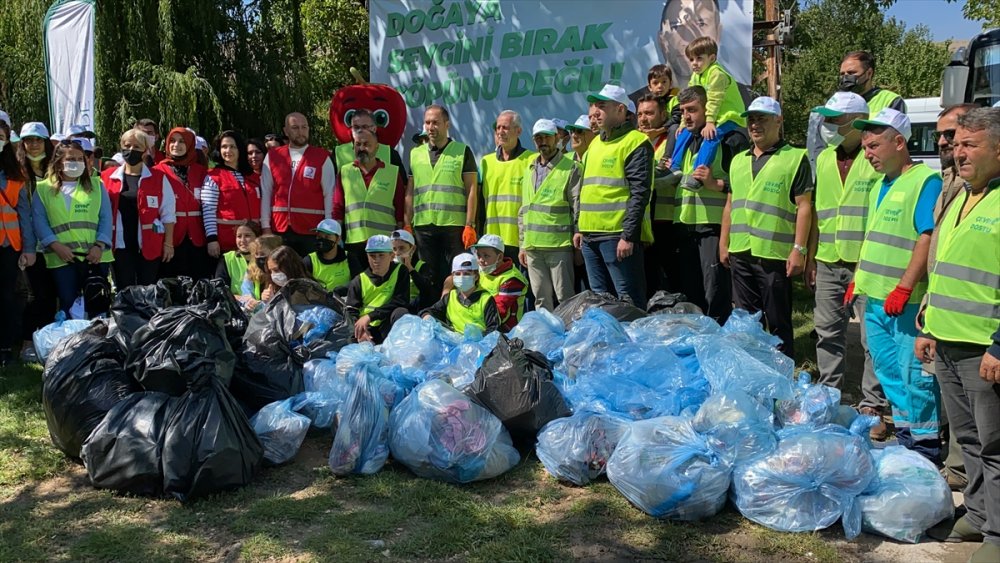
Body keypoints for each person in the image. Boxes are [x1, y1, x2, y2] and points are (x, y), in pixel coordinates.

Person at [916, 107, 1000, 561]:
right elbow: (946, 264)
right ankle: (979, 515)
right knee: (967, 441)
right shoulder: (962, 195)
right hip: (947, 339)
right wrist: (929, 324)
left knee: (995, 445)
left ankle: (997, 537)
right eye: (957, 143)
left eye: (970, 144)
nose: (958, 151)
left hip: (984, 348)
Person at [848, 108, 943, 462]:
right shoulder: (879, 185)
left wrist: (905, 287)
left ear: (899, 142)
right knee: (888, 373)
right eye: (864, 148)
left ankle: (926, 448)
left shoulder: (924, 181)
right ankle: (906, 440)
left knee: (914, 376)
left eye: (874, 146)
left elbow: (926, 237)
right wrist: (857, 278)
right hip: (874, 298)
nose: (867, 154)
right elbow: (874, 238)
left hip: (903, 302)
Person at [806, 93, 886, 437]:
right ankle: (830, 395)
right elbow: (818, 212)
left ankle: (873, 403)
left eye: (835, 120)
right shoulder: (825, 158)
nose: (828, 126)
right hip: (828, 259)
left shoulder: (873, 160)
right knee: (827, 332)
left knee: (871, 339)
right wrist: (810, 256)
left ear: (856, 121)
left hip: (865, 262)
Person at [720, 97, 812, 356]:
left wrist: (799, 249)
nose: (754, 124)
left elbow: (805, 206)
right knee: (747, 320)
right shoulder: (738, 160)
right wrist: (724, 242)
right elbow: (730, 204)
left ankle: (783, 367)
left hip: (774, 254)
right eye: (751, 119)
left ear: (778, 121)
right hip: (741, 251)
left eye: (762, 118)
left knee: (778, 320)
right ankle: (755, 368)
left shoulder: (795, 158)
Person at [923, 103, 977, 488]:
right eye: (940, 136)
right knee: (954, 403)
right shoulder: (949, 181)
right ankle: (959, 472)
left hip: (974, 324)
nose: (945, 143)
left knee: (976, 421)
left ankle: (963, 476)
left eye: (952, 135)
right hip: (943, 310)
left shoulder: (978, 188)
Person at [670, 86, 748, 322]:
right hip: (685, 225)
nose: (686, 116)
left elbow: (746, 185)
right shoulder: (685, 140)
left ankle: (720, 336)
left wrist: (716, 184)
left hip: (713, 226)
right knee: (691, 293)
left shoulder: (729, 140)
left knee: (715, 292)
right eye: (683, 111)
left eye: (692, 110)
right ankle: (697, 337)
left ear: (709, 110)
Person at [576, 84, 654, 308]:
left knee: (628, 302)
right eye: (594, 106)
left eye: (602, 106)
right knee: (599, 302)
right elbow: (585, 190)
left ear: (620, 110)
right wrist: (579, 227)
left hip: (617, 237)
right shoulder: (594, 144)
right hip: (590, 237)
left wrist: (628, 236)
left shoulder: (636, 142)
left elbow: (640, 193)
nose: (596, 111)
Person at [32, 141, 113, 316]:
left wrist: (99, 246)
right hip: (62, 257)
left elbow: (106, 218)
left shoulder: (97, 186)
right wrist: (56, 246)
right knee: (68, 304)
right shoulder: (43, 189)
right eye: (70, 159)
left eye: (79, 159)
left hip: (95, 257)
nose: (76, 163)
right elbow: (39, 221)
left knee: (97, 304)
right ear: (58, 162)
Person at [407, 105, 480, 290]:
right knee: (427, 277)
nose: (430, 127)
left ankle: (452, 308)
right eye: (427, 123)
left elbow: (472, 190)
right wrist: (407, 223)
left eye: (435, 123)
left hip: (453, 226)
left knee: (455, 276)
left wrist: (470, 224)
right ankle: (429, 308)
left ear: (447, 124)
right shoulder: (415, 154)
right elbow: (410, 191)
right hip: (423, 227)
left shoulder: (462, 151)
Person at [668, 37, 747, 191]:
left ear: (712, 58)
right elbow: (688, 98)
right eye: (691, 59)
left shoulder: (717, 74)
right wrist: (683, 124)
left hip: (729, 116)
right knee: (684, 132)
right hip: (715, 116)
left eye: (699, 58)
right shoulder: (696, 76)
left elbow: (714, 100)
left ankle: (697, 175)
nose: (694, 63)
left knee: (712, 135)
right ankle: (674, 168)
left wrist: (710, 123)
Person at [517, 119, 580, 312]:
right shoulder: (530, 169)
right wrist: (523, 245)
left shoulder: (570, 167)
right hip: (533, 247)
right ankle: (546, 331)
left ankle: (570, 331)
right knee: (541, 300)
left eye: (547, 137)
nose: (542, 141)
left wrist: (578, 239)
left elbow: (577, 206)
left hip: (558, 246)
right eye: (538, 138)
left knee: (565, 298)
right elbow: (524, 210)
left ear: (557, 138)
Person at [101, 128, 176, 288]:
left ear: (145, 150)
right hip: (119, 244)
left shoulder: (158, 178)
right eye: (127, 146)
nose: (131, 150)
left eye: (136, 147)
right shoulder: (107, 177)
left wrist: (168, 244)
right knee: (124, 288)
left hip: (149, 244)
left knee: (148, 289)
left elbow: (168, 214)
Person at [333, 117, 405, 275]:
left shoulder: (392, 172)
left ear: (376, 147)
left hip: (383, 242)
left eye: (366, 144)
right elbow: (338, 208)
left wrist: (399, 239)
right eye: (358, 144)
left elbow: (400, 208)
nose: (362, 148)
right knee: (358, 284)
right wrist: (336, 236)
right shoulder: (345, 172)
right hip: (354, 241)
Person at [260, 112, 335, 256]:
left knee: (309, 269)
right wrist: (266, 227)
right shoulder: (273, 156)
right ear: (286, 131)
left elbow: (329, 195)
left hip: (312, 230)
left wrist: (328, 229)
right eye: (295, 128)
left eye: (304, 127)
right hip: (279, 229)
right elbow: (266, 192)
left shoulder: (322, 157)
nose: (301, 132)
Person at [15, 122, 56, 363]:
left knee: (51, 294)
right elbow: (23, 213)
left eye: (38, 140)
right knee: (35, 294)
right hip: (31, 244)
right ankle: (28, 343)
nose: (33, 144)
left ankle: (48, 342)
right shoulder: (17, 173)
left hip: (56, 242)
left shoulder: (56, 170)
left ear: (46, 142)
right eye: (28, 140)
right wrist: (28, 247)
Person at [154, 127, 212, 279]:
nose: (176, 145)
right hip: (170, 236)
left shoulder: (201, 171)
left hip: (197, 236)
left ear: (190, 144)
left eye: (182, 141)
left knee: (199, 280)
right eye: (172, 141)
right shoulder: (157, 170)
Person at [481, 110, 536, 261]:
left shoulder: (531, 160)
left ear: (518, 131)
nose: (500, 132)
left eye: (505, 127)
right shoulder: (486, 162)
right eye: (498, 127)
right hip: (492, 241)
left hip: (520, 241)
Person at [639, 93, 678, 295]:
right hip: (643, 224)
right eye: (640, 114)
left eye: (649, 113)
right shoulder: (635, 142)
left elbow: (674, 174)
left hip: (667, 222)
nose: (643, 119)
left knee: (671, 282)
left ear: (663, 115)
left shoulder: (672, 140)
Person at [0, 120, 32, 366]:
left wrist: (29, 248)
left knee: (7, 297)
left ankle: (5, 346)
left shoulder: (15, 174)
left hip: (8, 246)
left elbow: (24, 214)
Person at [343, 234, 409, 344]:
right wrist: (360, 331)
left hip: (387, 324)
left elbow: (401, 301)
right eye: (372, 256)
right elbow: (350, 311)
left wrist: (370, 316)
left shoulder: (400, 271)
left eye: (381, 255)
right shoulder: (359, 280)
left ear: (392, 255)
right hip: (367, 328)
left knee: (401, 312)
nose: (376, 260)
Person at [204, 130, 261, 254]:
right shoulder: (213, 177)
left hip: (254, 241)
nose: (228, 150)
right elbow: (208, 211)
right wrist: (212, 239)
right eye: (224, 147)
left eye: (232, 147)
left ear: (240, 149)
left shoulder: (252, 176)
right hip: (227, 242)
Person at [421, 253, 500, 335]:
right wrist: (427, 316)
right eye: (457, 274)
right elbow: (429, 311)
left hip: (478, 341)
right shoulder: (450, 296)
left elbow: (494, 329)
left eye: (466, 274)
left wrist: (479, 337)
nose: (461, 277)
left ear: (476, 276)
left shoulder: (486, 299)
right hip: (452, 339)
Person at [467, 232, 527, 332]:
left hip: (505, 331)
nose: (481, 260)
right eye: (478, 255)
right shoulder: (482, 270)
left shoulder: (512, 279)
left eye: (486, 256)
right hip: (481, 322)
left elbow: (499, 311)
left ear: (499, 257)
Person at [658, 0, 723, 89]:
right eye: (675, 27)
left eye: (701, 24)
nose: (688, 38)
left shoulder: (738, 94)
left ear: (718, 34)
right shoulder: (643, 98)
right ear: (662, 40)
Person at [838, 51, 905, 115]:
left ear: (869, 73)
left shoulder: (891, 100)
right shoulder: (838, 102)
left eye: (851, 73)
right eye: (842, 74)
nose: (845, 78)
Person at [390, 228, 433, 312]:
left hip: (417, 306)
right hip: (398, 306)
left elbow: (428, 291)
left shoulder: (422, 265)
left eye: (401, 248)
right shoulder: (390, 266)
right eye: (394, 249)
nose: (397, 253)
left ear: (412, 249)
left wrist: (410, 268)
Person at [216, 219, 261, 299]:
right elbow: (220, 288)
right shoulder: (227, 258)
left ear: (257, 238)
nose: (242, 240)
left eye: (247, 236)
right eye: (239, 236)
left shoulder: (264, 258)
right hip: (236, 304)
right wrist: (242, 299)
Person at [303, 218, 350, 293]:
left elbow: (359, 282)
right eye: (319, 237)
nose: (322, 240)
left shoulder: (349, 258)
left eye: (327, 237)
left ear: (338, 239)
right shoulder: (309, 261)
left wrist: (342, 290)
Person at [243, 234, 282, 310]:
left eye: (263, 254)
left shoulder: (282, 273)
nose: (259, 258)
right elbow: (246, 293)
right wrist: (249, 302)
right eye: (256, 254)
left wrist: (269, 300)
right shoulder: (251, 270)